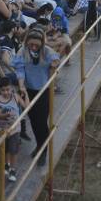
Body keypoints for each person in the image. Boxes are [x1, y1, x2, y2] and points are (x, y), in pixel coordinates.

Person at [12, 29, 60, 166]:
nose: (33, 47)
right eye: (31, 44)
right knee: (33, 120)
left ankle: (43, 150)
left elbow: (55, 60)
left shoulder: (47, 52)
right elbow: (20, 69)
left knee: (41, 122)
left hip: (44, 90)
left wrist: (55, 64)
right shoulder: (22, 51)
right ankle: (40, 146)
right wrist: (21, 86)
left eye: (36, 45)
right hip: (28, 90)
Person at [0, 84, 25, 182]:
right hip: (2, 129)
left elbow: (26, 106)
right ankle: (6, 165)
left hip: (14, 129)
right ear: (0, 90)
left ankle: (13, 170)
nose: (6, 92)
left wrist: (26, 94)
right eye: (3, 90)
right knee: (4, 149)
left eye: (8, 90)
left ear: (11, 89)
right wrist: (6, 115)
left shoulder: (15, 96)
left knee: (13, 150)